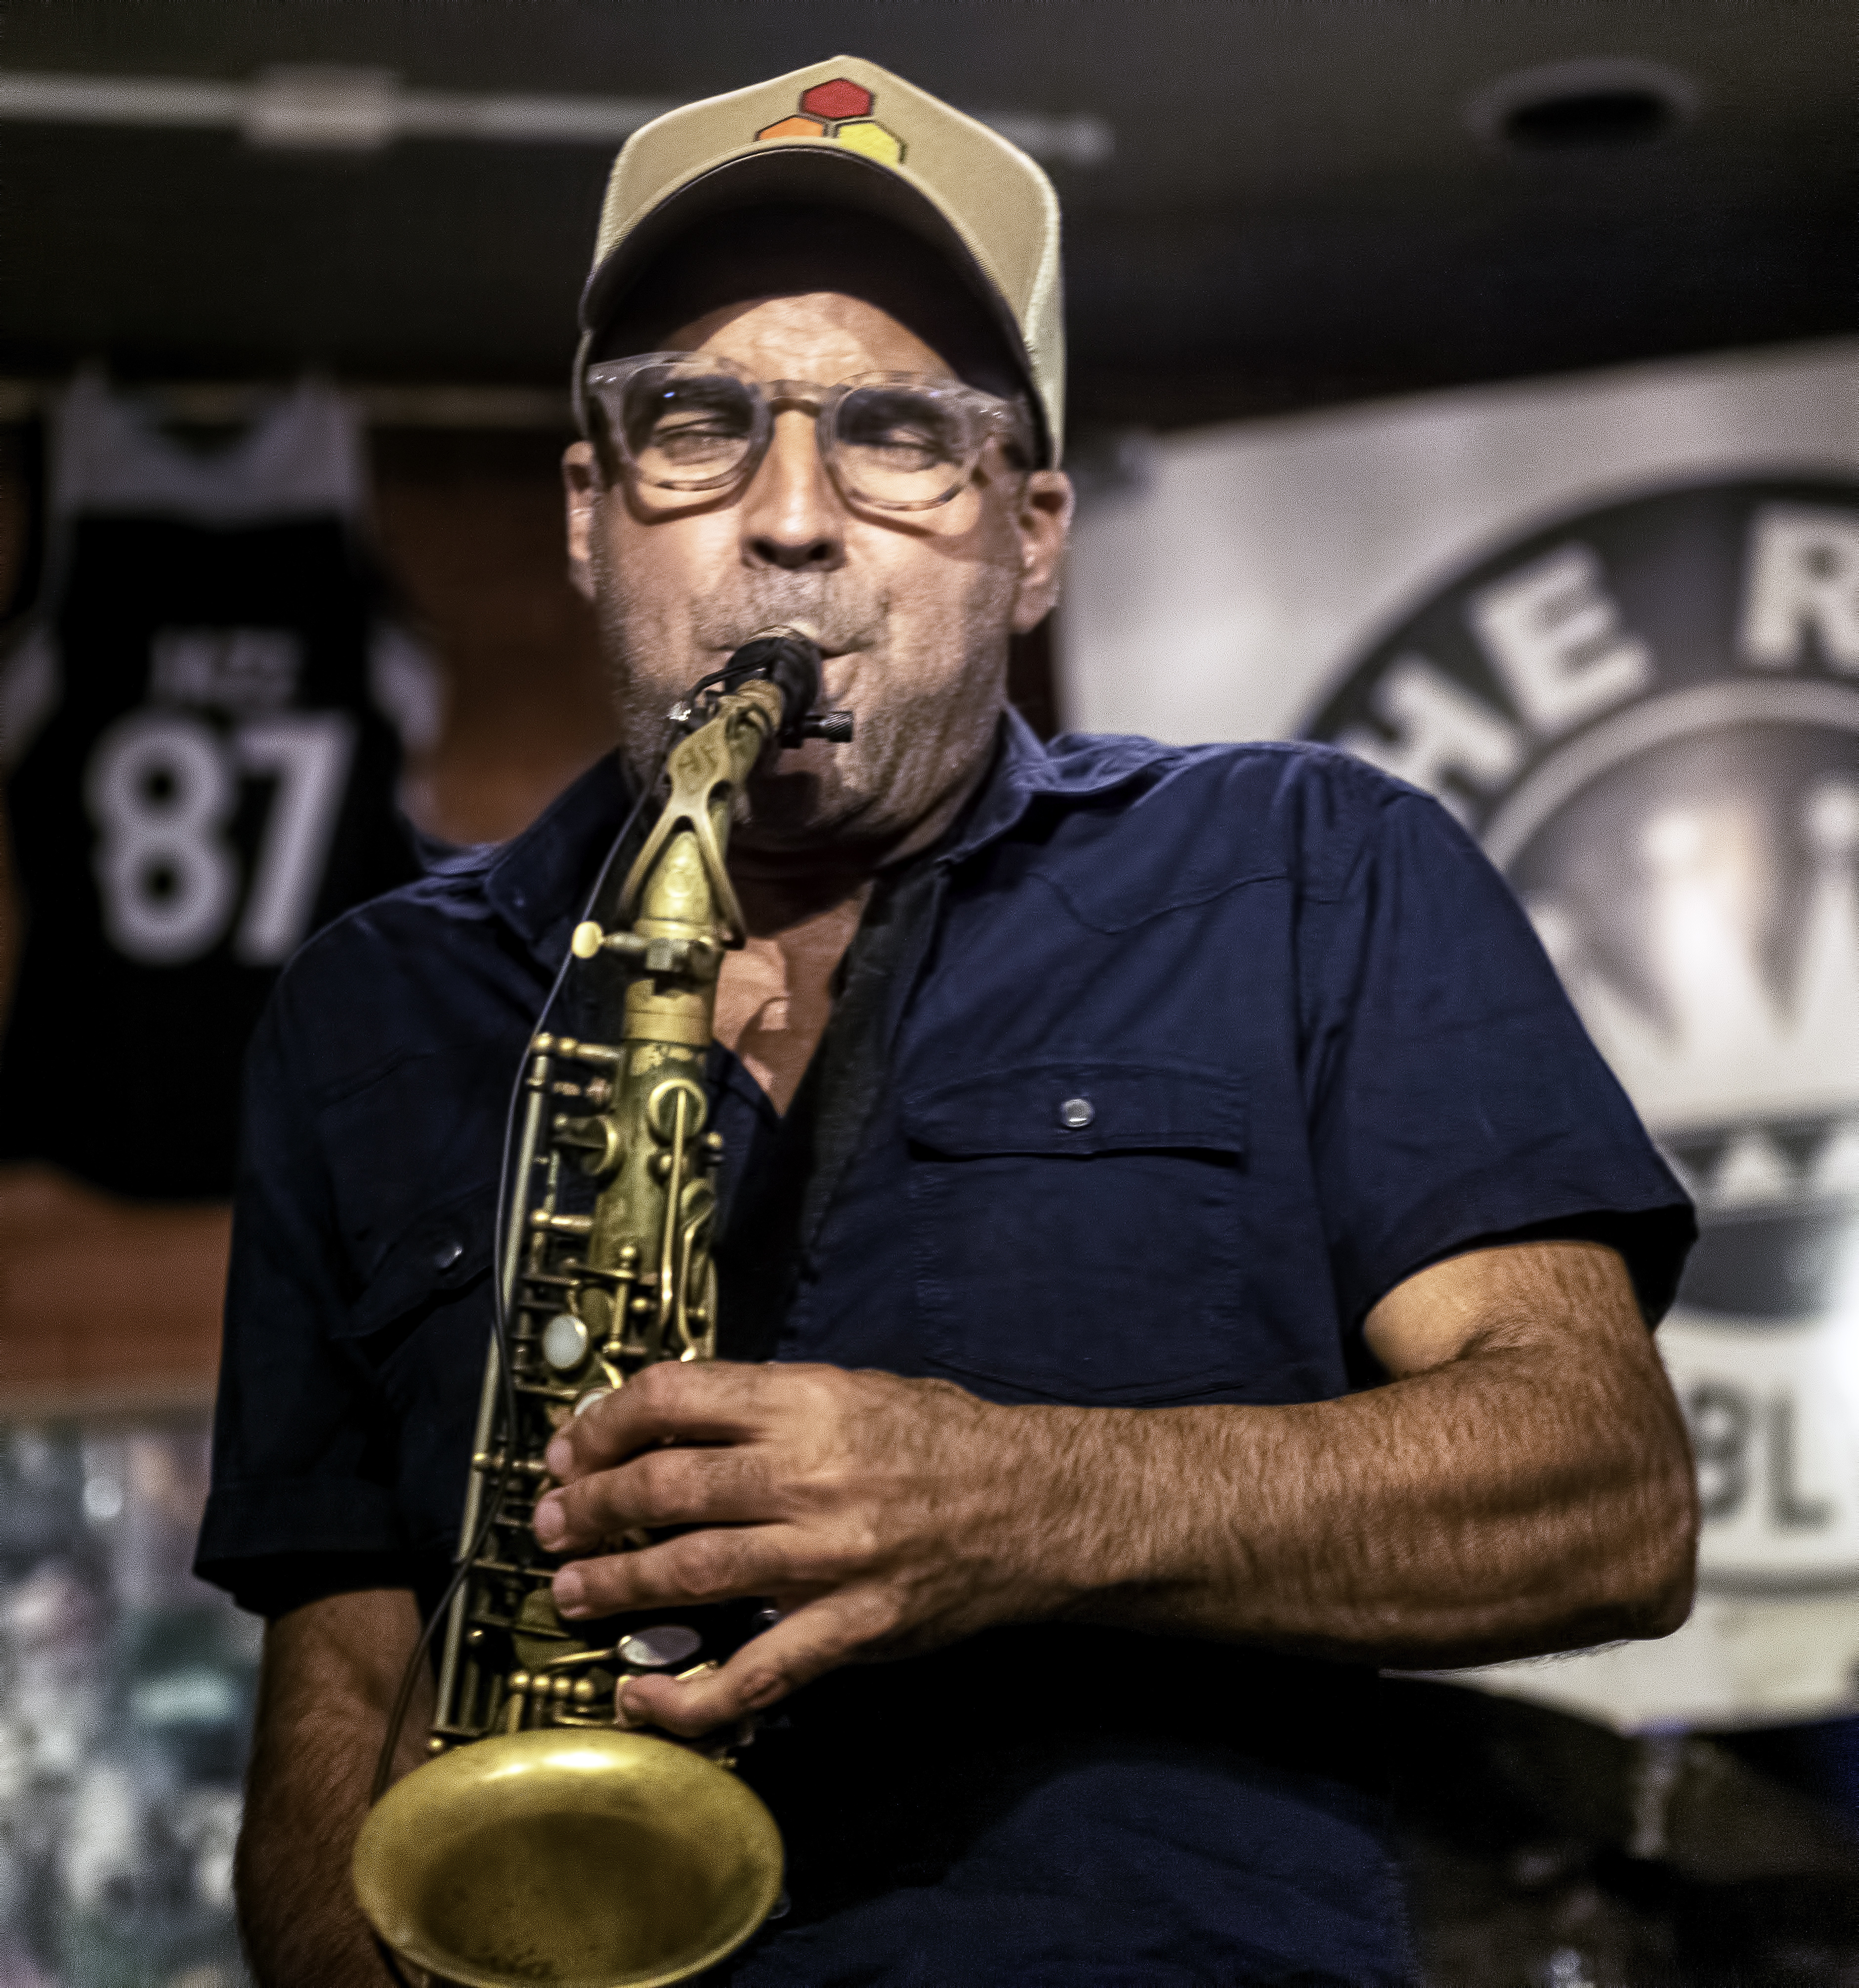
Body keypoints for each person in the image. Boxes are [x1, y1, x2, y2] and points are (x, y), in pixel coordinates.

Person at [198, 55, 1700, 1988]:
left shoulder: (1307, 867)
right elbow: (331, 1703)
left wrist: (1020, 1500)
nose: (791, 520)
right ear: (589, 509)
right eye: (695, 427)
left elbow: (1603, 1493)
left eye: (897, 434)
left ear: (1031, 532)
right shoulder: (376, 1004)